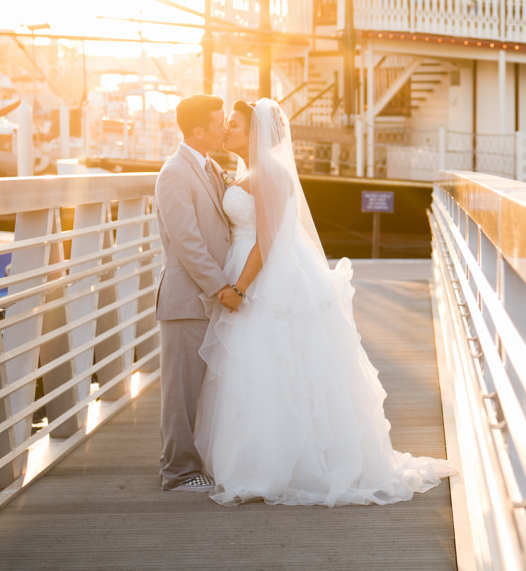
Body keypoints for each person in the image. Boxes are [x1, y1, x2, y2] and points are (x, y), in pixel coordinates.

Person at [194, 100, 456, 506]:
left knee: (277, 365)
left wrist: (240, 288)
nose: (226, 130)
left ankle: (285, 465)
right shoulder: (248, 172)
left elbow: (266, 239)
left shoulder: (269, 174)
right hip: (248, 269)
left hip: (261, 277)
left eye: (233, 125)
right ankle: (260, 458)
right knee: (258, 368)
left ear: (255, 133)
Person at [154, 94, 241, 493]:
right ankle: (178, 471)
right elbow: (186, 241)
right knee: (181, 392)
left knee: (201, 388)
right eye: (219, 121)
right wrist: (221, 287)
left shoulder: (209, 166)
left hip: (207, 297)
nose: (225, 127)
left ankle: (197, 462)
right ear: (197, 130)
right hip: (188, 297)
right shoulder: (174, 172)